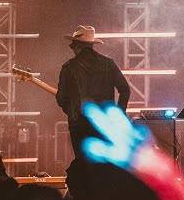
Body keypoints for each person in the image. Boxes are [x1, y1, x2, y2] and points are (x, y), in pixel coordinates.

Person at [55, 25, 132, 156]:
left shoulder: (68, 68)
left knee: (82, 162)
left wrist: (72, 112)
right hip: (105, 122)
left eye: (73, 46)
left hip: (79, 124)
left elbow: (61, 98)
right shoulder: (109, 64)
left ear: (78, 46)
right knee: (104, 162)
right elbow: (125, 90)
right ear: (91, 45)